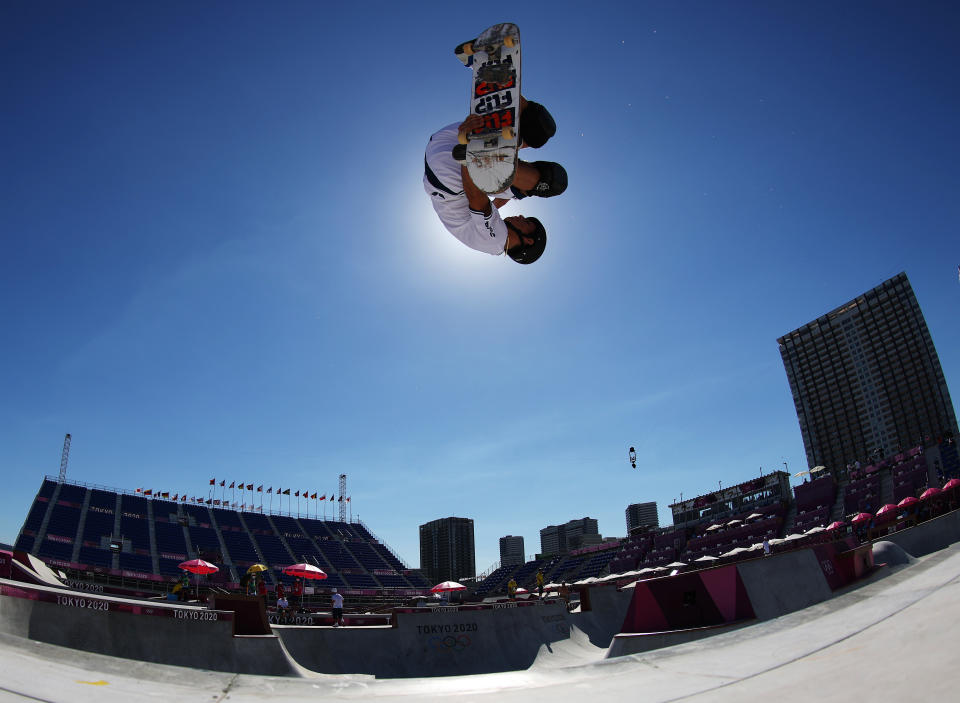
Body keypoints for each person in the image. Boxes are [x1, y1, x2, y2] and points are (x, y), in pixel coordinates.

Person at [424, 100, 566, 265]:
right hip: (442, 147)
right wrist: (516, 194)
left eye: (526, 221)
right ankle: (504, 87)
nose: (521, 215)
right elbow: (492, 203)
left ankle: (481, 150)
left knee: (552, 182)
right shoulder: (489, 236)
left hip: (449, 173)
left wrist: (469, 150)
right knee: (538, 132)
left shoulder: (497, 241)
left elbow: (477, 199)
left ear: (528, 241)